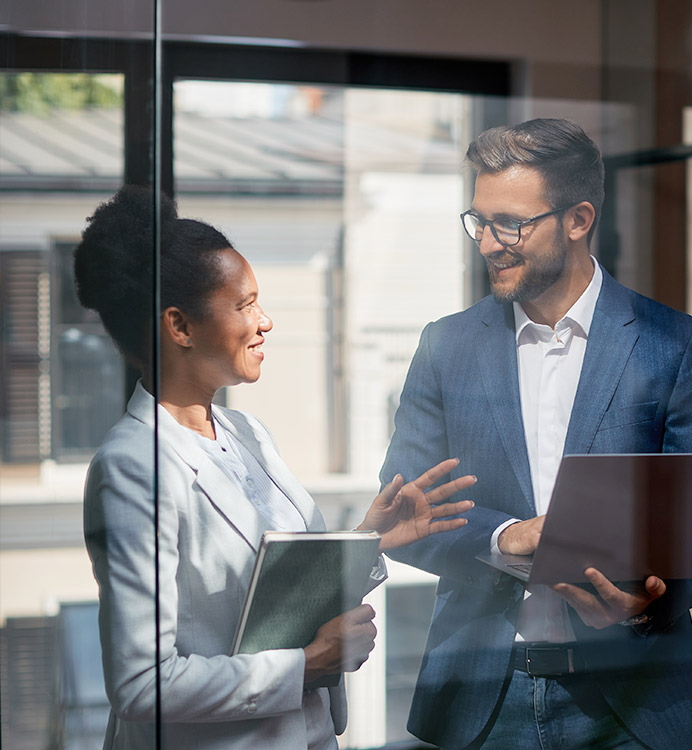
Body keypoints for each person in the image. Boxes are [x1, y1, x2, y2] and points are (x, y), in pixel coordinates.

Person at [380, 118, 692, 750]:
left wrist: (650, 599)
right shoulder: (445, 346)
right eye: (479, 221)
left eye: (511, 224)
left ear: (578, 219)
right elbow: (402, 509)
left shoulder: (675, 345)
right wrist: (505, 535)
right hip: (481, 705)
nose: (489, 243)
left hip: (632, 704)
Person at [74, 185, 476, 750]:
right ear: (180, 327)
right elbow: (143, 686)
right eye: (244, 305)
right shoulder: (132, 466)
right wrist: (306, 667)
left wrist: (369, 541)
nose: (265, 322)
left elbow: (279, 595)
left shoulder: (247, 434)